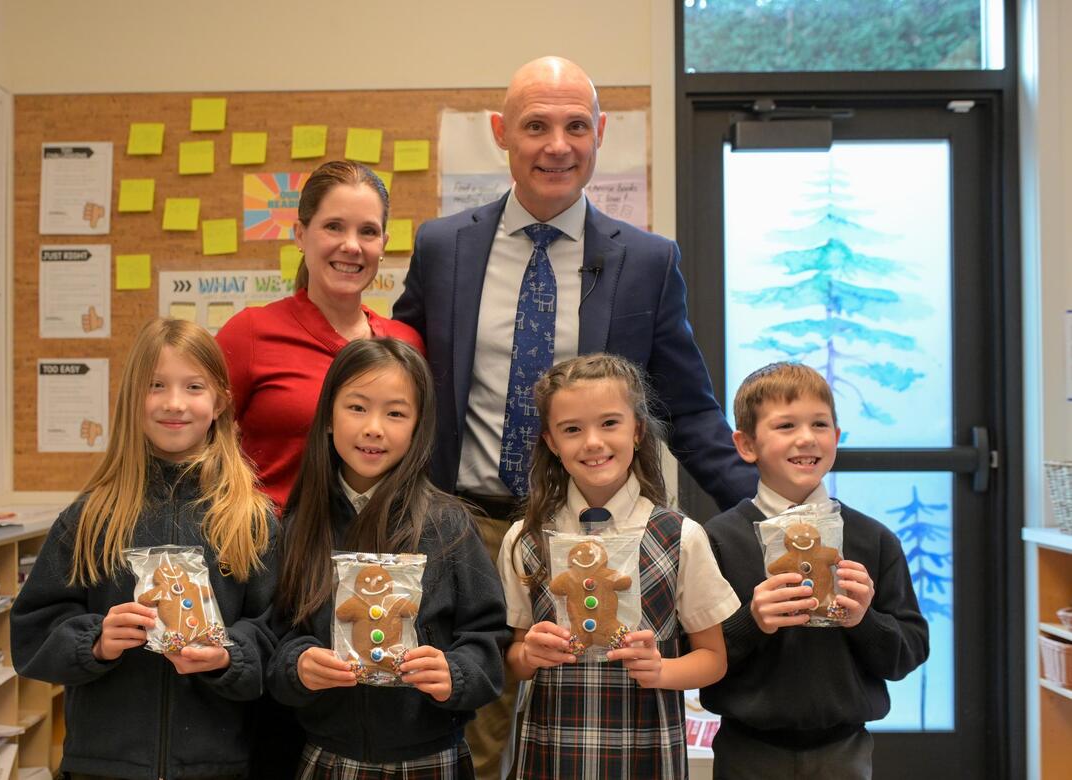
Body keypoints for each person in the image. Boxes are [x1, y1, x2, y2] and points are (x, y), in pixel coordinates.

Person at [392, 55, 756, 777]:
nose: (556, 144)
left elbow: (687, 406)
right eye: (535, 126)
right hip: (467, 526)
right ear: (502, 134)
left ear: (600, 134)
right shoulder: (443, 248)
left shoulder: (647, 261)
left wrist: (772, 514)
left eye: (574, 126)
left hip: (595, 530)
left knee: (592, 726)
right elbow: (403, 379)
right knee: (473, 729)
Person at [11, 318, 277, 780]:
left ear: (220, 403)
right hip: (103, 765)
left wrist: (229, 654)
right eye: (156, 386)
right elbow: (31, 633)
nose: (174, 403)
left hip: (217, 765)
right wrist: (94, 641)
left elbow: (277, 634)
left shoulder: (251, 520)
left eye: (193, 386)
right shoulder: (91, 517)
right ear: (133, 400)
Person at [267, 338, 510, 779]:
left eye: (395, 413)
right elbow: (278, 634)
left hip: (432, 757)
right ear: (327, 418)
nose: (374, 428)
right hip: (329, 755)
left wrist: (454, 672)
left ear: (418, 428)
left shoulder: (448, 524)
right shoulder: (299, 526)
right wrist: (298, 663)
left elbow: (490, 640)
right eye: (357, 407)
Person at [498, 353, 737, 778]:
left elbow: (713, 659)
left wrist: (662, 669)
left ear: (638, 430)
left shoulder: (681, 536)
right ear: (552, 441)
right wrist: (530, 654)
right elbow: (512, 658)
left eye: (609, 423)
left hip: (645, 750)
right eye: (572, 429)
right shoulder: (524, 538)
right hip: (551, 752)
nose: (592, 442)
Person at [700, 362, 929, 780]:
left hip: (845, 750)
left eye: (820, 424)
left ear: (837, 438)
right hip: (747, 749)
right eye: (785, 425)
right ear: (746, 444)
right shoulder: (716, 541)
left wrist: (864, 620)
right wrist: (750, 622)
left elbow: (908, 653)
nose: (806, 437)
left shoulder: (874, 541)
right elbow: (692, 653)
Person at [216, 159, 424, 513]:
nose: (352, 246)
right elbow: (199, 445)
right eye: (334, 227)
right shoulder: (249, 334)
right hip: (270, 554)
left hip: (376, 556)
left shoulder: (406, 345)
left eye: (368, 232)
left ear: (384, 243)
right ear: (300, 234)